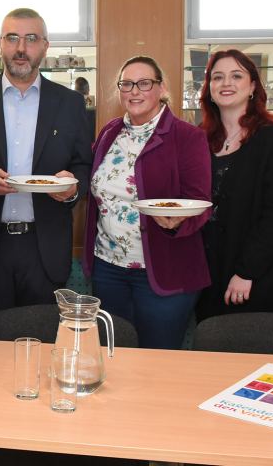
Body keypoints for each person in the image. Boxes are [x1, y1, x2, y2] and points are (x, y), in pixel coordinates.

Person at [0, 8, 92, 328]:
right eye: (12, 38)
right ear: (0, 44)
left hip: (44, 249)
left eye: (31, 38)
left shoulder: (70, 103)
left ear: (45, 46)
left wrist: (72, 188)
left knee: (45, 342)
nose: (21, 47)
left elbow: (83, 166)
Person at [82, 56, 211, 350]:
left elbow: (200, 201)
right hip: (108, 268)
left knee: (158, 361)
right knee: (112, 356)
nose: (135, 91)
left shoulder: (187, 137)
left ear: (161, 88)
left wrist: (176, 222)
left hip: (162, 270)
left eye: (144, 83)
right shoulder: (109, 133)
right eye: (127, 84)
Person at [193, 50, 273, 322]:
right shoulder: (202, 141)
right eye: (217, 77)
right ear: (208, 89)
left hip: (255, 279)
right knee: (211, 352)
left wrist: (246, 272)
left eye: (236, 76)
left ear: (252, 86)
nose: (226, 83)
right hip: (210, 273)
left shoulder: (272, 141)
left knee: (251, 355)